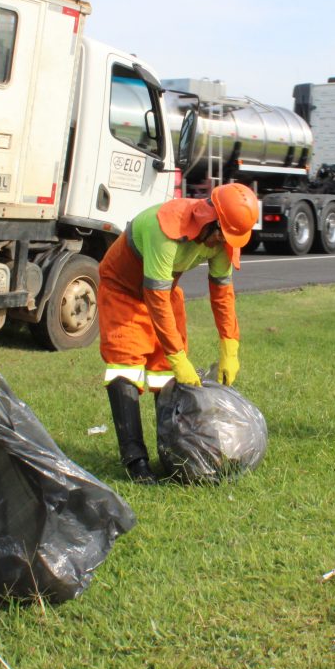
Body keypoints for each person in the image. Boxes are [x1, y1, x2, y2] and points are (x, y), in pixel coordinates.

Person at [98, 183, 261, 481]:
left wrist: (230, 347)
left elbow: (222, 294)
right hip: (123, 289)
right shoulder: (166, 228)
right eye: (223, 235)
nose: (223, 243)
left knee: (164, 374)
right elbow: (155, 298)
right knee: (126, 365)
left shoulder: (222, 239)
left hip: (164, 290)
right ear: (210, 220)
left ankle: (172, 451)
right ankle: (135, 461)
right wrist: (178, 356)